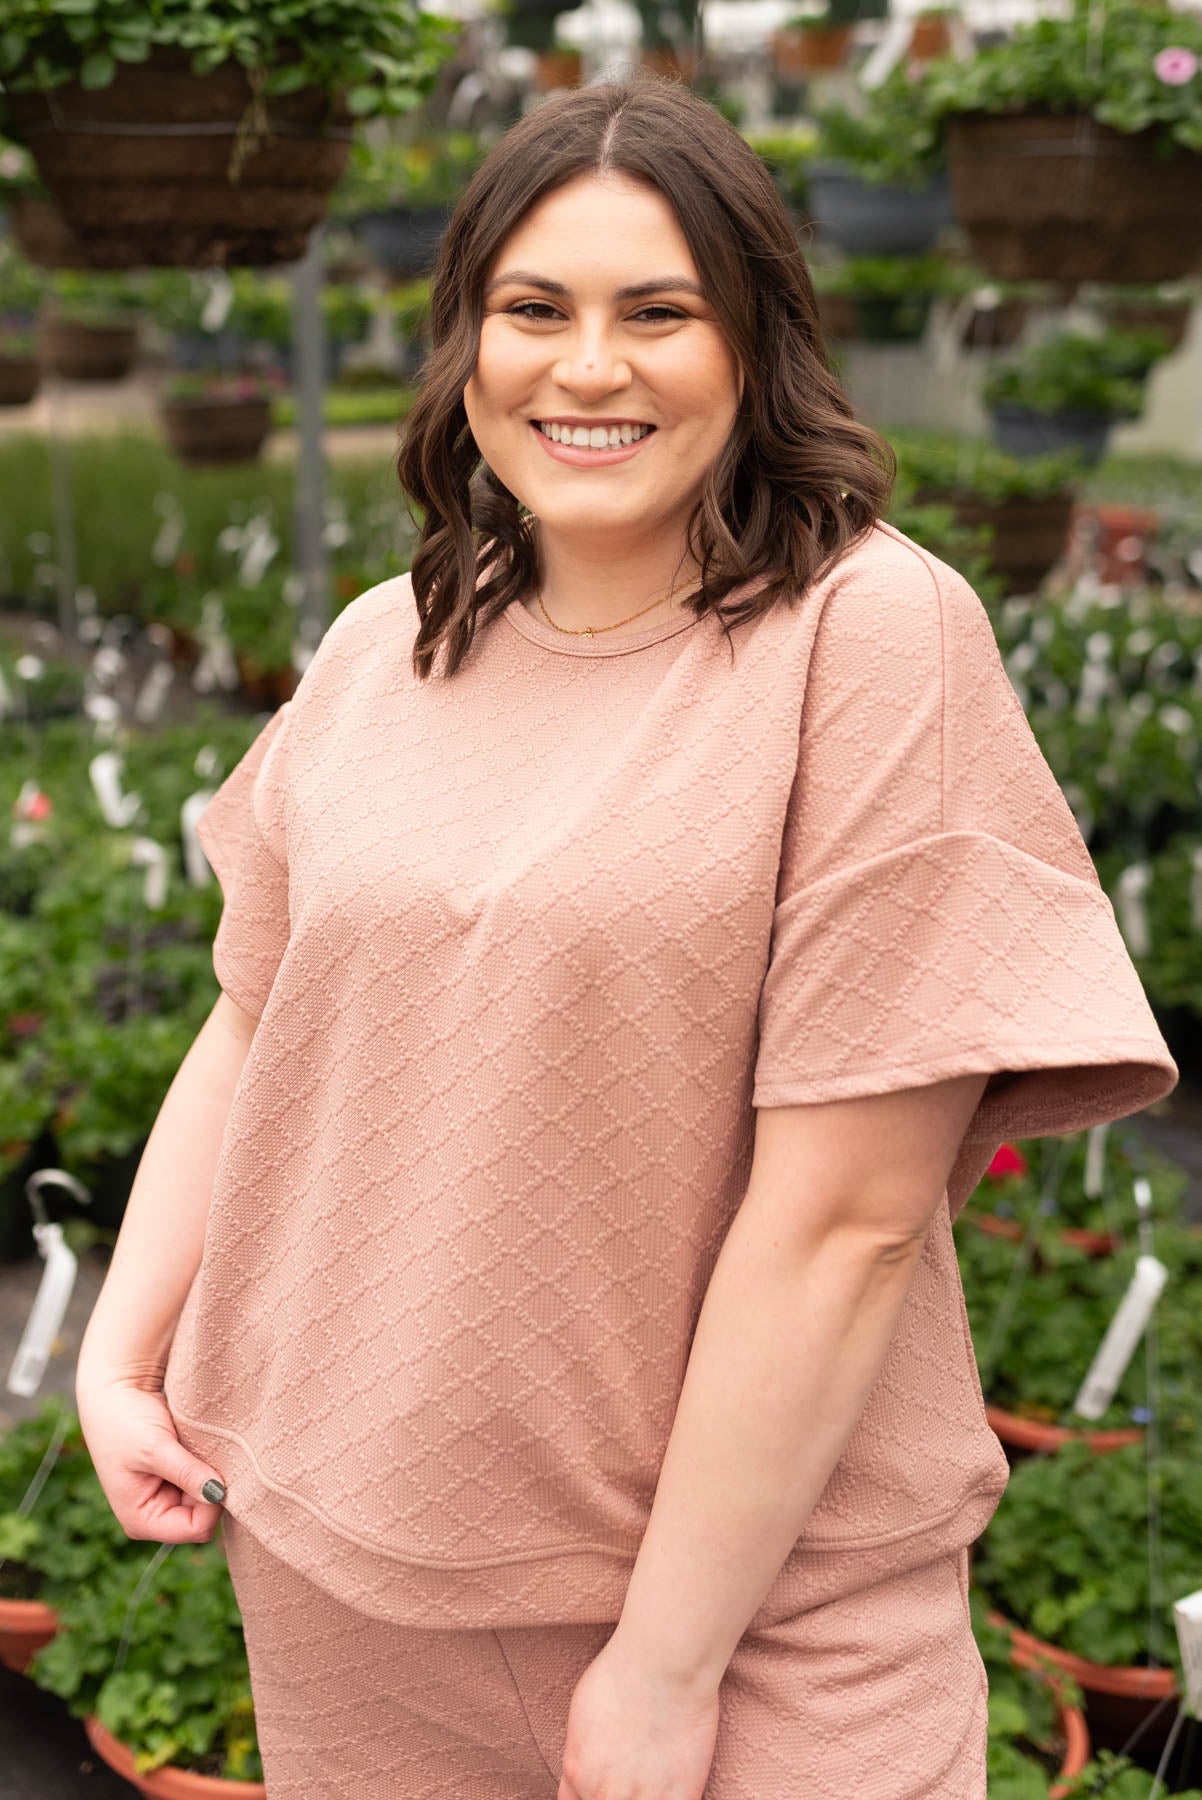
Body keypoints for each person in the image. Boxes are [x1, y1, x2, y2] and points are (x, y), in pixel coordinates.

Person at [75, 76, 1178, 1800]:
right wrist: (123, 1356)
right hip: (350, 1576)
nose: (586, 367)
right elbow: (253, 1017)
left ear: (757, 346)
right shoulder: (391, 639)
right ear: (466, 347)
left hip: (762, 1623)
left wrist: (661, 1676)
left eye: (656, 312)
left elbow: (851, 1217)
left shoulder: (867, 636)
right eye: (534, 310)